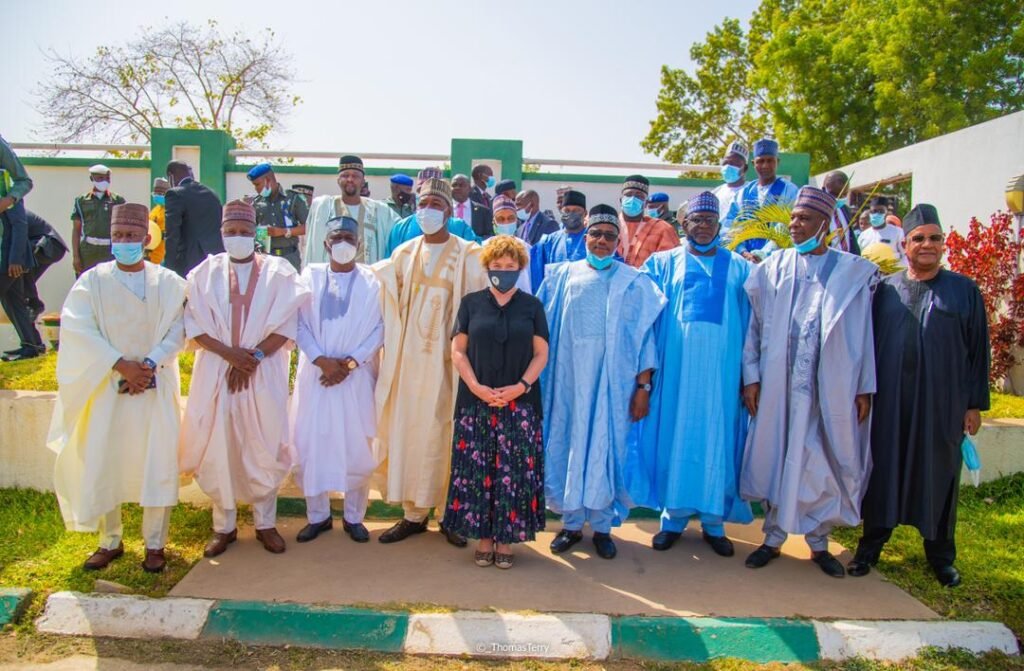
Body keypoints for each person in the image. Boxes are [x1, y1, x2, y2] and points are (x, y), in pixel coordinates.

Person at [740, 186, 879, 578]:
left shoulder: (852, 274)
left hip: (829, 387)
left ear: (825, 225)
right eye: (794, 218)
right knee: (778, 453)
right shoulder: (772, 269)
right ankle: (772, 538)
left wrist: (863, 385)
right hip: (779, 385)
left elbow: (863, 334)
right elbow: (754, 329)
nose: (795, 225)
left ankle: (819, 543)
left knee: (820, 462)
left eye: (803, 219)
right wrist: (751, 378)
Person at [850, 204, 990, 588]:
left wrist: (974, 404)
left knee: (940, 475)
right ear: (904, 245)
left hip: (942, 405)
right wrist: (863, 392)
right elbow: (864, 346)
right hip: (891, 403)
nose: (927, 245)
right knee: (883, 471)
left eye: (934, 238)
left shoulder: (964, 291)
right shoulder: (884, 290)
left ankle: (941, 556)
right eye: (918, 238)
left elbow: (979, 351)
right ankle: (870, 546)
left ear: (943, 244)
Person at [48, 203, 187, 573]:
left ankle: (155, 544)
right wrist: (121, 365)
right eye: (119, 236)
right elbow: (79, 329)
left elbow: (179, 329)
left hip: (153, 386)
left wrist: (148, 365)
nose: (124, 242)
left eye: (131, 236)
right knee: (105, 458)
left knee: (156, 460)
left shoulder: (169, 283)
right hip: (109, 385)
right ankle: (110, 541)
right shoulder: (92, 282)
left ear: (146, 238)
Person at [179, 200, 310, 557]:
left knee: (263, 441)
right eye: (230, 231)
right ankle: (224, 527)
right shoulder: (202, 274)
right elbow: (194, 326)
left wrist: (250, 358)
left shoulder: (279, 272)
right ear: (221, 233)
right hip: (218, 371)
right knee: (218, 444)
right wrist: (231, 357)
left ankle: (265, 523)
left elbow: (287, 326)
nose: (237, 237)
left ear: (256, 233)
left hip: (261, 371)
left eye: (244, 231)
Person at [539, 204, 666, 559]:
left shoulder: (635, 283)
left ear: (618, 241)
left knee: (608, 450)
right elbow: (542, 331)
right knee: (569, 444)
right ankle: (571, 524)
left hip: (615, 387)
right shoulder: (561, 276)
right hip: (568, 384)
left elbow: (645, 340)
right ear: (586, 236)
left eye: (610, 236)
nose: (601, 241)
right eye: (595, 234)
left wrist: (642, 388)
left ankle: (603, 526)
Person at [633, 192, 753, 557]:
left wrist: (750, 378)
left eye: (710, 221)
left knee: (717, 440)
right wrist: (644, 377)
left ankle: (715, 523)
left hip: (722, 378)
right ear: (682, 224)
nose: (703, 227)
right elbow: (640, 316)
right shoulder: (661, 263)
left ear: (719, 225)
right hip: (676, 378)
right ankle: (672, 520)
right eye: (696, 220)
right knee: (676, 437)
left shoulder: (740, 267)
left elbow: (754, 326)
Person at [372, 177, 489, 547]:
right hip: (408, 362)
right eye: (422, 205)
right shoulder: (403, 253)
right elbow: (381, 297)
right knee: (409, 430)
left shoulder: (470, 254)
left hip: (447, 363)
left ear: (449, 210)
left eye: (435, 206)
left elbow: (482, 304)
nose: (428, 212)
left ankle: (448, 515)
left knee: (445, 432)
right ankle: (412, 515)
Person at [443, 235, 550, 569]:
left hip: (520, 404)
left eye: (510, 266)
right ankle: (484, 538)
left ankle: (506, 540)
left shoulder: (532, 306)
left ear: (519, 268)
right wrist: (475, 386)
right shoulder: (471, 303)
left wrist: (521, 386)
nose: (503, 271)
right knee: (479, 471)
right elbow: (458, 350)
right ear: (487, 267)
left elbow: (541, 352)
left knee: (514, 471)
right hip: (476, 403)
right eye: (497, 266)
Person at [290, 215, 384, 545]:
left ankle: (354, 517)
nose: (343, 242)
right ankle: (317, 516)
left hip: (355, 377)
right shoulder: (310, 276)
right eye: (337, 237)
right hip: (316, 375)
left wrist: (349, 363)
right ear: (326, 242)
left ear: (359, 245)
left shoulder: (374, 282)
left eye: (349, 237)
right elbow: (297, 323)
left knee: (356, 442)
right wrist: (321, 360)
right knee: (312, 441)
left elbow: (380, 328)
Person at [305, 156, 400, 266]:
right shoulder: (323, 207)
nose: (350, 179)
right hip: (331, 278)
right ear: (338, 180)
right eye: (345, 175)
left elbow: (402, 230)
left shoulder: (379, 210)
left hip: (367, 277)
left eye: (355, 176)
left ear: (363, 181)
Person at [0, 137, 41, 362]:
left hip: (6, 249)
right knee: (12, 298)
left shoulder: (1, 150)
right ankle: (31, 344)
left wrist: (8, 200)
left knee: (13, 295)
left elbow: (23, 181)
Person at [529, 189, 618, 291]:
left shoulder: (594, 240)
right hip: (555, 301)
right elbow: (537, 279)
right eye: (567, 210)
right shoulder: (548, 242)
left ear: (585, 213)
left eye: (576, 210)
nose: (571, 214)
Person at [737, 139, 799, 258]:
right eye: (760, 161)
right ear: (753, 163)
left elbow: (788, 225)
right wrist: (742, 251)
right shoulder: (743, 193)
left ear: (777, 162)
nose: (765, 165)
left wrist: (764, 253)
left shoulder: (790, 191)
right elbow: (732, 225)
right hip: (745, 260)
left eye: (770, 161)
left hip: (778, 259)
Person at [164, 161, 225, 278]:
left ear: (171, 176)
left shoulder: (175, 194)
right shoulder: (211, 193)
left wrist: (169, 268)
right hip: (215, 260)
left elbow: (172, 233)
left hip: (188, 263)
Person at [248, 162, 308, 271]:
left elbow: (308, 227)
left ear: (268, 180)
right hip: (264, 257)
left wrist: (284, 231)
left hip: (289, 257)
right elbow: (250, 229)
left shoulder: (293, 199)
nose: (256, 189)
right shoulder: (256, 203)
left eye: (257, 184)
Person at [15, 210, 67, 327]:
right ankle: (31, 306)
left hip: (50, 246)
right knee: (19, 275)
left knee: (18, 261)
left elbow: (16, 240)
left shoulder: (12, 213)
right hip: (42, 248)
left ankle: (34, 304)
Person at [71, 164, 126, 275]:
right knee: (86, 285)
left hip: (110, 250)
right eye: (100, 178)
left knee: (110, 284)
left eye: (107, 178)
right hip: (88, 251)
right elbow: (76, 230)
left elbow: (123, 227)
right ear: (92, 179)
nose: (104, 181)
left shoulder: (117, 200)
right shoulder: (81, 201)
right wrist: (76, 257)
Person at [617, 175, 680, 267]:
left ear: (646, 203)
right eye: (628, 194)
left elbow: (670, 265)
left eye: (639, 196)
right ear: (621, 200)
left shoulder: (662, 229)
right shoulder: (608, 226)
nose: (632, 199)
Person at [713, 141, 749, 231]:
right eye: (726, 163)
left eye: (734, 163)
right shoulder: (716, 192)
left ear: (745, 168)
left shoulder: (752, 191)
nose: (728, 166)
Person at [821, 171, 860, 255]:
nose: (838, 198)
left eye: (843, 194)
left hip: (847, 263)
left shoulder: (845, 209)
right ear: (824, 189)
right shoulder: (816, 212)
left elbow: (851, 238)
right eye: (834, 194)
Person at [857, 197, 906, 263]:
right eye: (874, 211)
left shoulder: (898, 232)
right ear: (870, 212)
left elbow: (905, 256)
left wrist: (893, 269)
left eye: (881, 211)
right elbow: (858, 257)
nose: (876, 214)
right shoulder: (863, 235)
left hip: (892, 272)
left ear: (886, 213)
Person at [452, 174, 493, 240]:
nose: (457, 188)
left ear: (469, 189)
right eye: (454, 185)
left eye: (461, 185)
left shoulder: (483, 211)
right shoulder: (444, 209)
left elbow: (490, 235)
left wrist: (476, 241)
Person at [147, 178, 170, 265]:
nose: (157, 195)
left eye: (160, 193)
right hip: (152, 254)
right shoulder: (155, 210)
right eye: (155, 193)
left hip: (164, 254)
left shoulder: (172, 210)